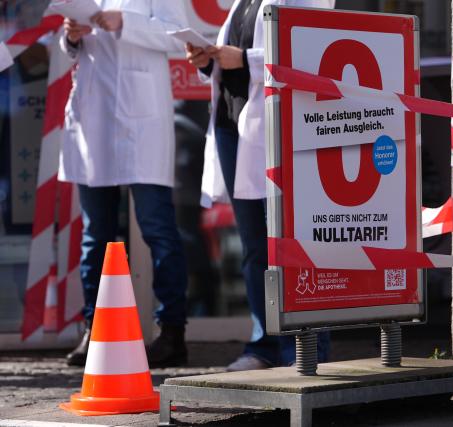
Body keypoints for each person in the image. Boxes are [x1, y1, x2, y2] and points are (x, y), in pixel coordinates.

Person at [185, 0, 334, 372]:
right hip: (232, 124)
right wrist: (210, 61)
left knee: (289, 246)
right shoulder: (243, 2)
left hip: (279, 130)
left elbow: (312, 52)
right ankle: (263, 344)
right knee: (255, 247)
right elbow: (231, 63)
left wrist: (247, 59)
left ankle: (304, 349)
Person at [60, 1, 189, 368]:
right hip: (94, 114)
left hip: (142, 120)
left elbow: (177, 37)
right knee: (94, 233)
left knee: (158, 230)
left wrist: (125, 23)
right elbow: (69, 45)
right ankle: (95, 330)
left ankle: (172, 332)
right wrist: (71, 37)